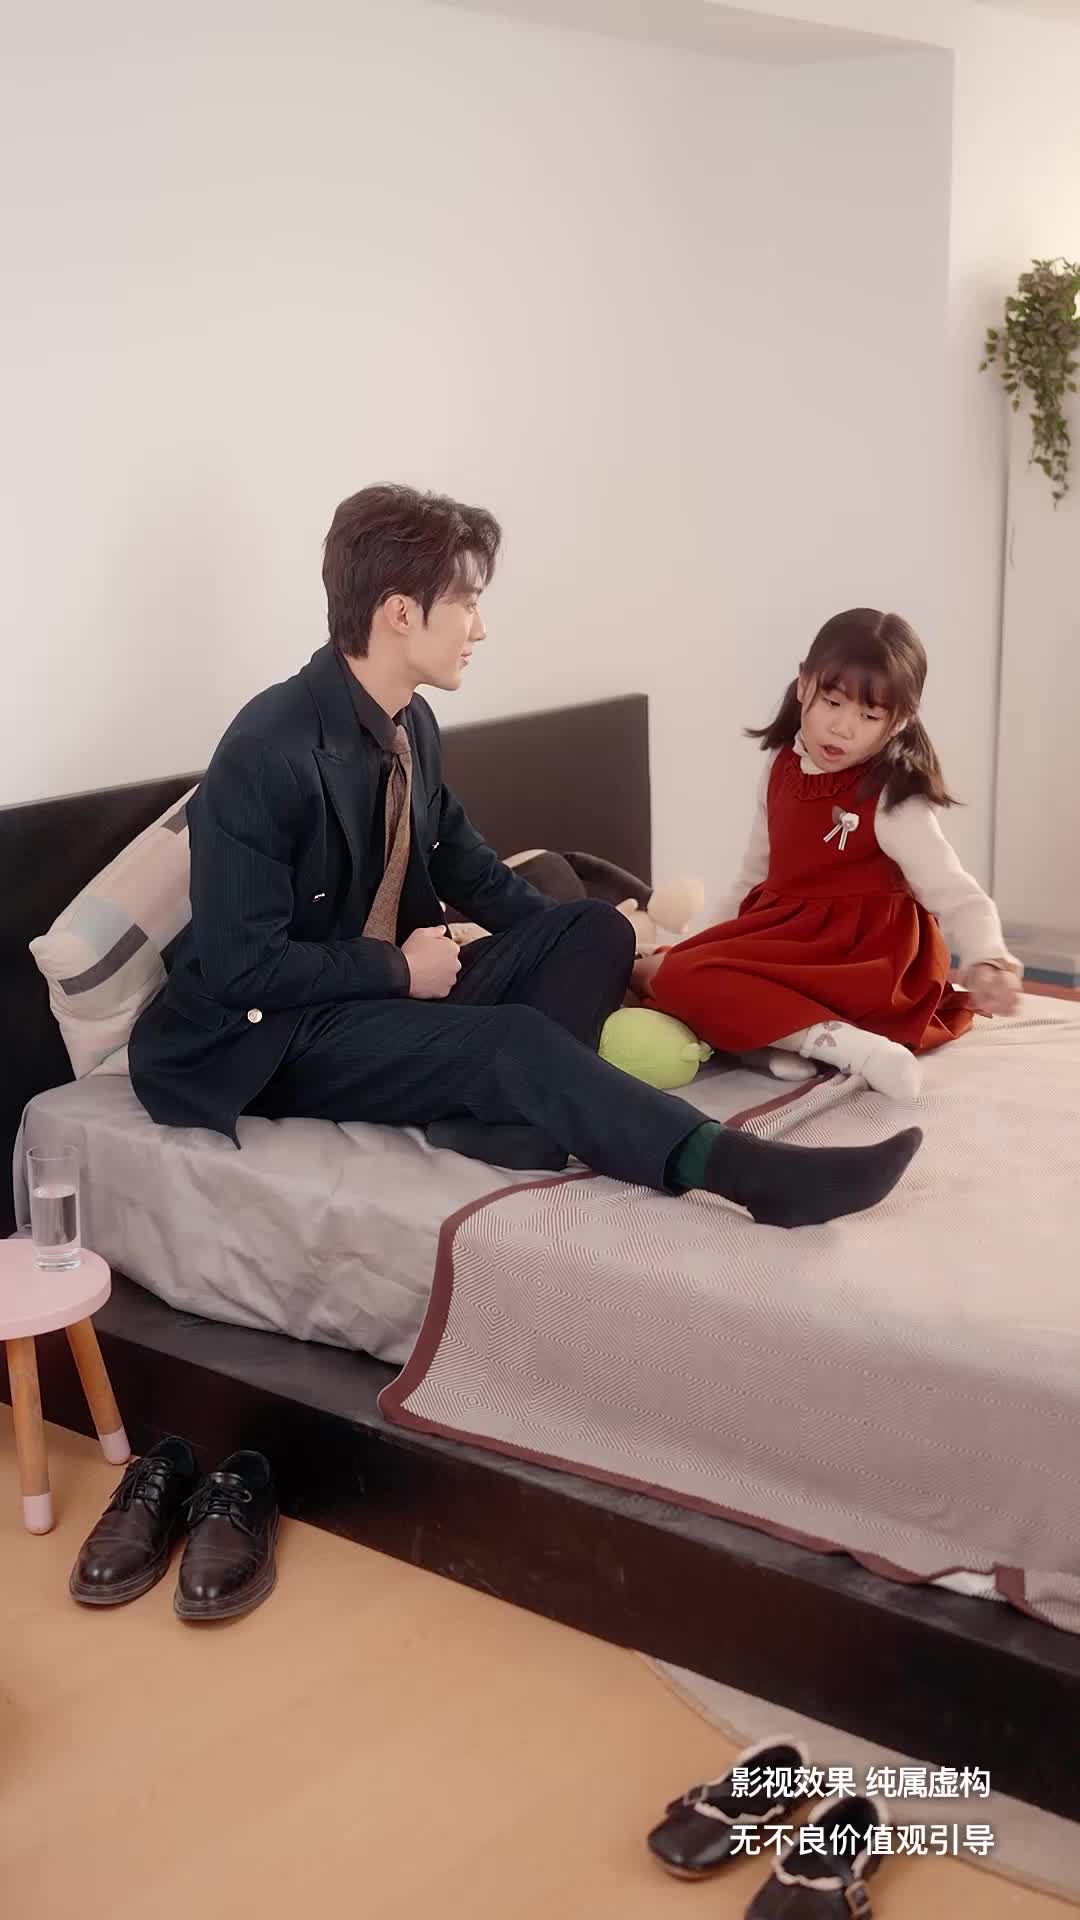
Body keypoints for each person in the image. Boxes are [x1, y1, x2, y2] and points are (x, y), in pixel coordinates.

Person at [129, 490, 921, 1229]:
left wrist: (632, 961)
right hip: (269, 1038)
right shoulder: (267, 751)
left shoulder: (411, 724)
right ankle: (738, 1170)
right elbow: (241, 967)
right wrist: (398, 970)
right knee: (511, 1040)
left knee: (596, 930)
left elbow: (470, 866)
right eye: (468, 603)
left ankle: (507, 1125)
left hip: (374, 996)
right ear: (401, 613)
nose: (479, 628)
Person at [636, 608, 1021, 1101]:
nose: (842, 728)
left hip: (863, 961)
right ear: (804, 685)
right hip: (787, 942)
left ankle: (855, 1048)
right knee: (669, 971)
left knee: (678, 977)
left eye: (869, 716)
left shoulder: (889, 797)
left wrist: (990, 958)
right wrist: (707, 944)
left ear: (898, 722)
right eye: (832, 702)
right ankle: (794, 1041)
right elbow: (754, 876)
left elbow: (956, 893)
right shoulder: (780, 767)